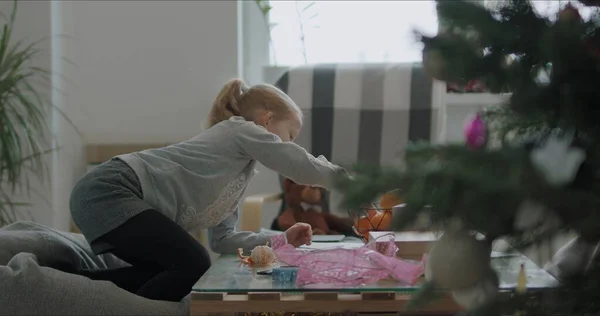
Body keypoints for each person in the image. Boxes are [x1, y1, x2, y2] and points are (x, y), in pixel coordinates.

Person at [69, 78, 347, 302]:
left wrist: (279, 240)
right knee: (194, 264)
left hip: (104, 197)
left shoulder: (234, 176)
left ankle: (69, 283)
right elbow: (297, 164)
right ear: (266, 119)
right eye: (290, 135)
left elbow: (223, 240)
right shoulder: (238, 130)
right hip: (109, 189)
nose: (289, 144)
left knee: (167, 269)